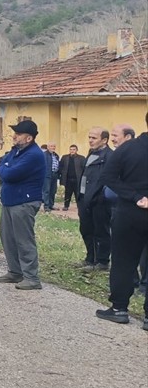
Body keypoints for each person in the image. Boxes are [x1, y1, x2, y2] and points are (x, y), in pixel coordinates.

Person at [97, 114, 148, 328]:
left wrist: (135, 196)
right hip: (131, 210)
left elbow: (107, 177)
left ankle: (119, 309)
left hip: (130, 212)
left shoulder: (128, 148)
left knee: (123, 261)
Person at [0, 120, 47, 290]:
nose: (14, 136)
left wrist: (3, 167)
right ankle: (15, 272)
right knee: (8, 238)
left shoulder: (33, 155)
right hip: (10, 200)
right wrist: (4, 166)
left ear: (29, 138)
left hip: (24, 201)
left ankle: (31, 277)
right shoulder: (16, 151)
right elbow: (3, 163)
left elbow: (9, 174)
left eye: (18, 134)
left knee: (24, 240)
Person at [77, 127, 112, 271]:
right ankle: (90, 258)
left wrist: (97, 196)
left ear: (104, 140)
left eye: (94, 138)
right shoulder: (91, 153)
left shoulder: (109, 156)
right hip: (84, 198)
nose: (90, 140)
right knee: (86, 229)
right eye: (89, 137)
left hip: (99, 200)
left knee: (100, 231)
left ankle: (102, 262)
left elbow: (105, 180)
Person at [58, 144, 85, 210]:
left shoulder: (81, 158)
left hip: (77, 179)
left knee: (78, 193)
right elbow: (61, 166)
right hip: (68, 179)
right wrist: (61, 175)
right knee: (67, 193)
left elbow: (84, 168)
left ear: (76, 150)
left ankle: (79, 206)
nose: (72, 151)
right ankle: (66, 206)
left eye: (73, 149)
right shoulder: (65, 157)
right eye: (71, 149)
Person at [42, 142, 60, 210]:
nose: (53, 147)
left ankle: (51, 205)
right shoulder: (44, 155)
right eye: (51, 146)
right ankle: (46, 206)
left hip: (54, 174)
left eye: (54, 146)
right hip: (47, 175)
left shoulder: (56, 155)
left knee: (53, 191)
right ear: (48, 147)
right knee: (46, 191)